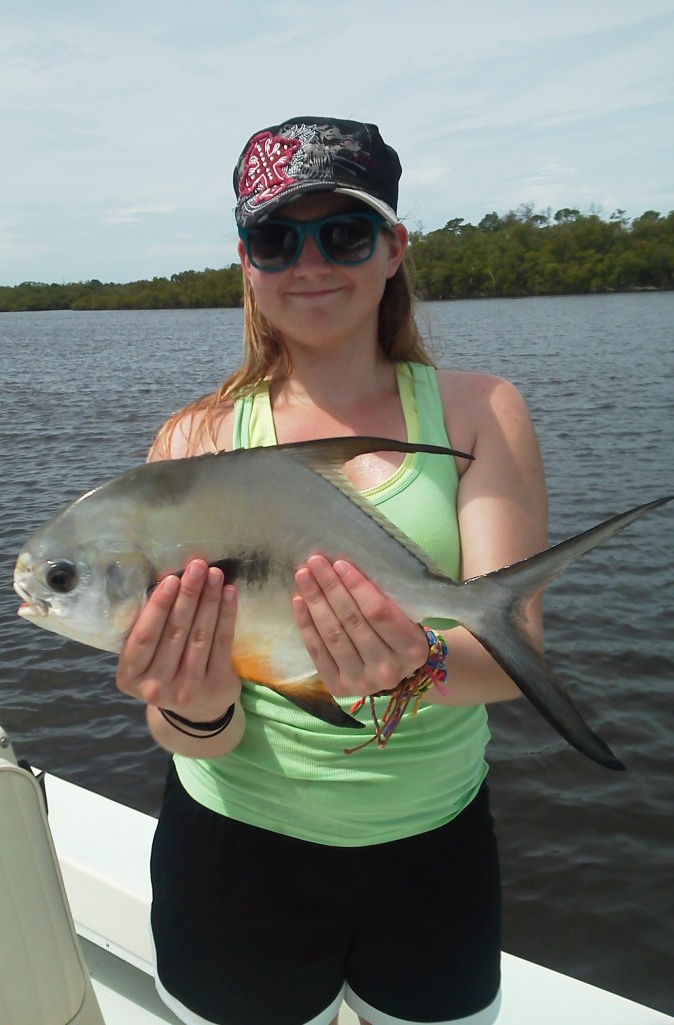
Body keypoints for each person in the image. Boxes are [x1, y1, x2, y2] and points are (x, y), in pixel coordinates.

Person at [116, 116, 548, 1025]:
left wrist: (415, 666)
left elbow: (510, 659)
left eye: (342, 233)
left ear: (393, 247)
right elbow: (192, 732)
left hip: (432, 848)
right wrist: (190, 700)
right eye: (276, 238)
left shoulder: (478, 412)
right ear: (246, 262)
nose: (309, 262)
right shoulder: (192, 441)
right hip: (235, 851)